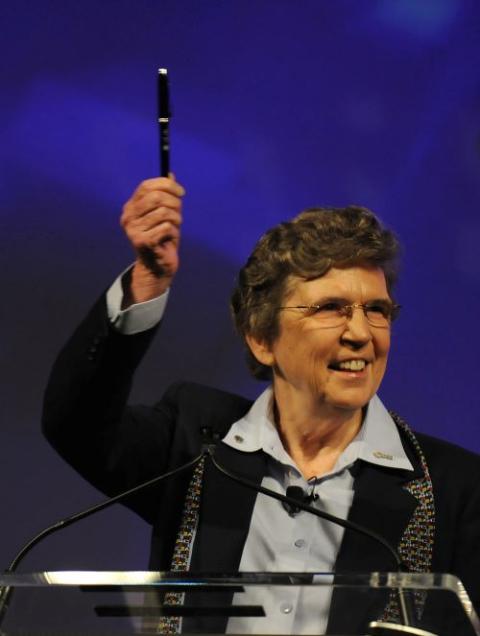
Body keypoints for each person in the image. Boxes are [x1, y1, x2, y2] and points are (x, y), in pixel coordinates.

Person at [42, 176, 480, 634]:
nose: (361, 333)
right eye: (331, 308)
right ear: (261, 338)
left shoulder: (457, 491)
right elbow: (76, 422)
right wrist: (146, 281)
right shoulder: (196, 445)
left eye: (377, 310)